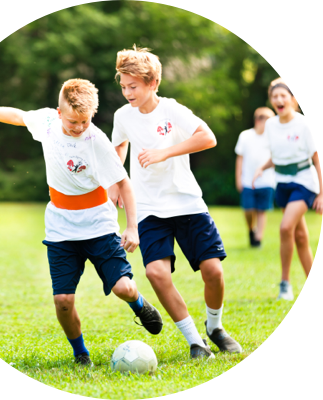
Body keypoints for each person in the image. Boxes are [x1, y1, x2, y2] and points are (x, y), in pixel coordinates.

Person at [0, 78, 163, 366]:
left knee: (123, 288)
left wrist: (132, 227)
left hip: (99, 225)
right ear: (59, 112)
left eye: (84, 121)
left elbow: (124, 184)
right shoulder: (48, 122)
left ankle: (139, 304)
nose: (78, 127)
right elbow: (17, 115)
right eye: (73, 121)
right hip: (61, 228)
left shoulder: (97, 141)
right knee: (63, 301)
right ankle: (81, 354)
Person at [108, 46, 242, 359]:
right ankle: (196, 342)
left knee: (213, 272)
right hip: (148, 207)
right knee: (156, 273)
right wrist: (115, 184)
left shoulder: (171, 110)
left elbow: (207, 137)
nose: (128, 93)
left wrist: (164, 152)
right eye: (124, 86)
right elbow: (119, 149)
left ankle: (215, 327)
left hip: (186, 202)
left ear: (152, 83)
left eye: (134, 86)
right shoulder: (122, 116)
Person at [253, 78, 323, 300]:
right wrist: (261, 168)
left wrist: (322, 192)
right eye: (275, 96)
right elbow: (277, 157)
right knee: (300, 236)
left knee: (285, 228)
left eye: (283, 95)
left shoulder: (303, 123)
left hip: (304, 182)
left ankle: (285, 283)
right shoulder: (271, 125)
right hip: (281, 183)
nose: (279, 99)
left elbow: (316, 158)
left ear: (293, 100)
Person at [235, 107, 276, 247]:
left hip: (267, 180)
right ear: (258, 120)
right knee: (248, 209)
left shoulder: (272, 138)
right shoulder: (245, 136)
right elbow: (240, 159)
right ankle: (251, 230)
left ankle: (258, 239)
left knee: (261, 210)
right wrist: (238, 178)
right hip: (247, 180)